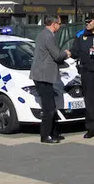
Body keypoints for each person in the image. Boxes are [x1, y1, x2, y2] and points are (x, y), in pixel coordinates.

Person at [30, 16, 71, 144]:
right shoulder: (48, 36)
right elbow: (57, 56)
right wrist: (66, 53)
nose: (60, 26)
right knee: (49, 108)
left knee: (52, 106)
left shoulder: (43, 34)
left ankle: (53, 133)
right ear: (54, 24)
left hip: (44, 75)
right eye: (59, 24)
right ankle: (45, 135)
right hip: (43, 76)